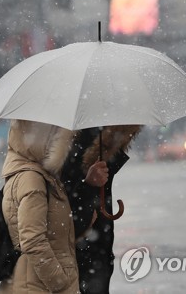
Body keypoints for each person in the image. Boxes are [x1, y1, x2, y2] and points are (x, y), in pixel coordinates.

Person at [0, 120, 109, 294]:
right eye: (52, 135)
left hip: (39, 283)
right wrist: (60, 282)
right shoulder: (32, 179)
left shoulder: (41, 176)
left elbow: (60, 233)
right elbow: (32, 241)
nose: (58, 143)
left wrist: (88, 188)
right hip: (39, 286)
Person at [61, 125, 143, 294]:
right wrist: (87, 185)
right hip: (71, 248)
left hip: (96, 247)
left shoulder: (104, 139)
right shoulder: (62, 144)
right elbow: (59, 197)